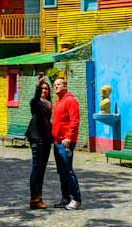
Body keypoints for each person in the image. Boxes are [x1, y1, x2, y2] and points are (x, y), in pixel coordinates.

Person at [51, 78, 82, 210]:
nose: (56, 86)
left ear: (65, 86)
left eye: (59, 84)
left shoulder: (70, 100)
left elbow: (74, 121)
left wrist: (68, 137)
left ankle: (76, 199)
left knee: (67, 171)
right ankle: (65, 198)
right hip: (57, 141)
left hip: (65, 143)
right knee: (62, 171)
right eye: (55, 85)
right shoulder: (58, 101)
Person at [26, 74, 52, 209]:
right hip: (37, 138)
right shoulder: (36, 102)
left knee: (42, 169)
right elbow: (35, 100)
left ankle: (39, 197)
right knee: (36, 168)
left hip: (47, 139)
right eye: (42, 89)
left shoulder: (49, 104)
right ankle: (33, 198)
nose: (44, 91)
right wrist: (38, 86)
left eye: (46, 89)